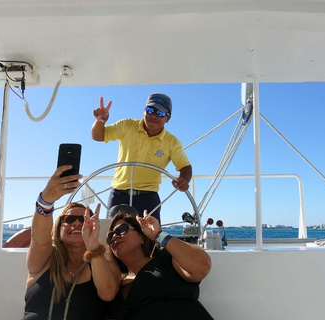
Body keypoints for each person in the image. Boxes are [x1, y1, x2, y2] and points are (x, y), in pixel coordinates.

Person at [22, 165, 120, 320]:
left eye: (83, 220)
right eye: (68, 219)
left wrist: (93, 245)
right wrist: (46, 201)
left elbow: (108, 294)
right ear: (59, 228)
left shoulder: (107, 266)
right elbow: (39, 240)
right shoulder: (44, 261)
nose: (76, 223)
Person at [91, 93, 193, 223]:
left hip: (148, 198)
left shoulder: (172, 142)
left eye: (160, 113)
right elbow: (98, 136)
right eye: (150, 110)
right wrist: (100, 121)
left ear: (168, 118)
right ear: (144, 111)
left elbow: (185, 167)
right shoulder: (127, 125)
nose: (154, 116)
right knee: (113, 238)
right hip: (118, 194)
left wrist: (183, 180)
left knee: (150, 240)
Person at [106, 210, 214, 320]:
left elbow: (202, 266)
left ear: (142, 237)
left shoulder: (167, 260)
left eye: (121, 229)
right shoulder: (114, 288)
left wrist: (159, 235)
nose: (115, 236)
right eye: (110, 236)